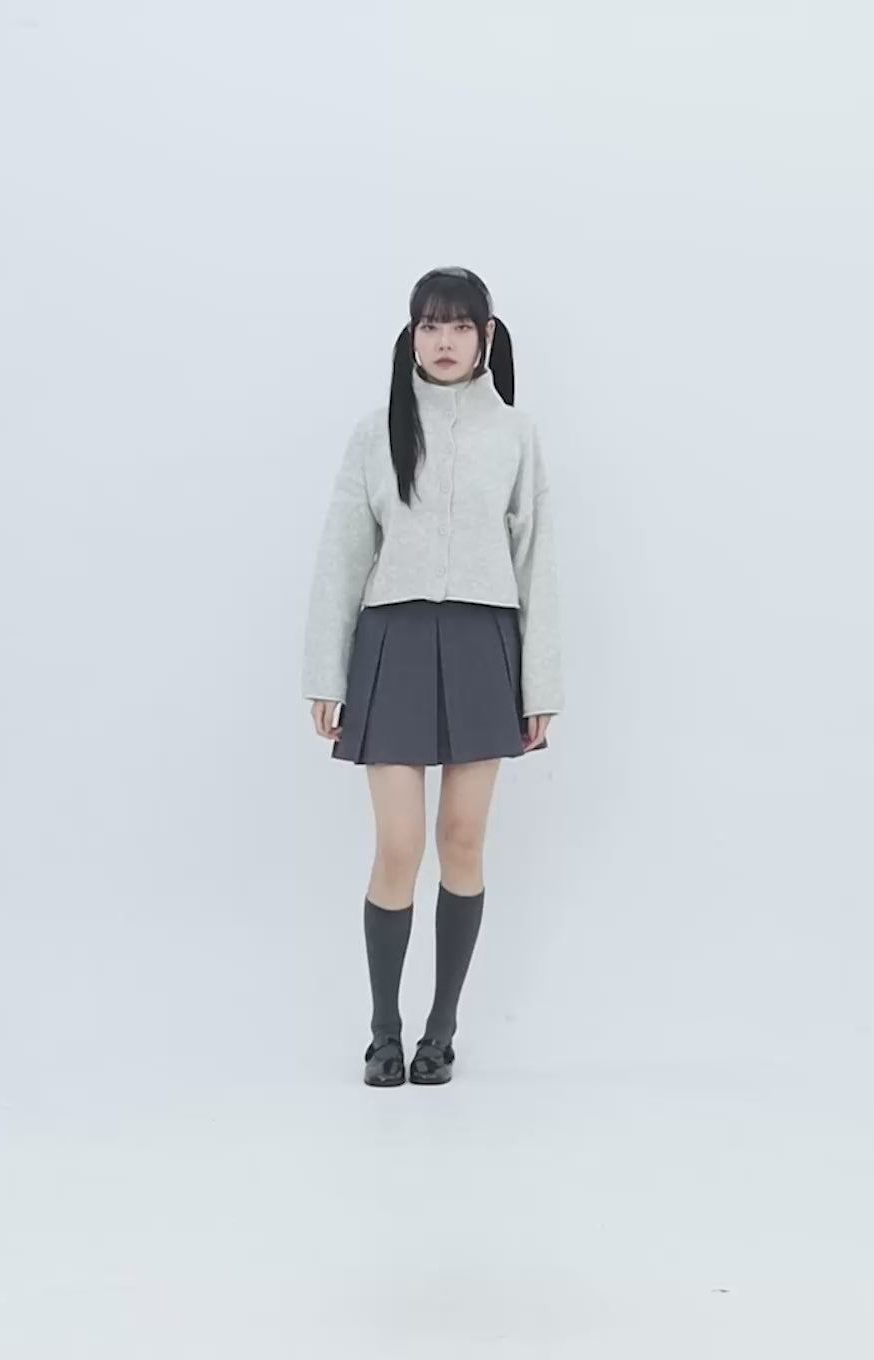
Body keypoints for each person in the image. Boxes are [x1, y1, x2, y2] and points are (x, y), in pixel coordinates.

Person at [301, 266, 564, 1087]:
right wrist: (326, 673)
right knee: (398, 846)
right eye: (429, 325)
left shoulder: (515, 433)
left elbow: (536, 559)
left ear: (486, 337)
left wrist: (540, 687)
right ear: (411, 335)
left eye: (460, 326)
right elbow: (343, 555)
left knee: (462, 842)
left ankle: (440, 1031)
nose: (443, 341)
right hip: (395, 644)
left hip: (485, 644)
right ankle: (383, 1030)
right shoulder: (375, 431)